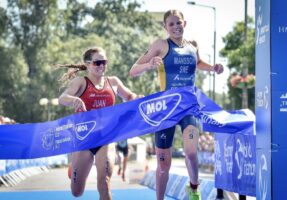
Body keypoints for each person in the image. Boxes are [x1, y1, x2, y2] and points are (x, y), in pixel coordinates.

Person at [129, 10, 224, 200]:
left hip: (188, 107)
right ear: (165, 27)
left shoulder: (192, 46)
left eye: (178, 23)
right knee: (163, 165)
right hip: (166, 109)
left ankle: (194, 189)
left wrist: (213, 67)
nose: (175, 27)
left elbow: (198, 63)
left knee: (190, 152)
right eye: (171, 24)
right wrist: (149, 65)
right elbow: (133, 71)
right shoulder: (161, 45)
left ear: (185, 24)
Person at [58, 47, 142, 200]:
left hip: (106, 137)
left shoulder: (113, 82)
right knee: (77, 192)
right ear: (88, 64)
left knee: (104, 182)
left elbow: (129, 96)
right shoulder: (81, 82)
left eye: (104, 62)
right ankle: (75, 168)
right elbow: (62, 98)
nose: (102, 66)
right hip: (84, 139)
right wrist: (74, 100)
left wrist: (137, 98)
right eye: (98, 63)